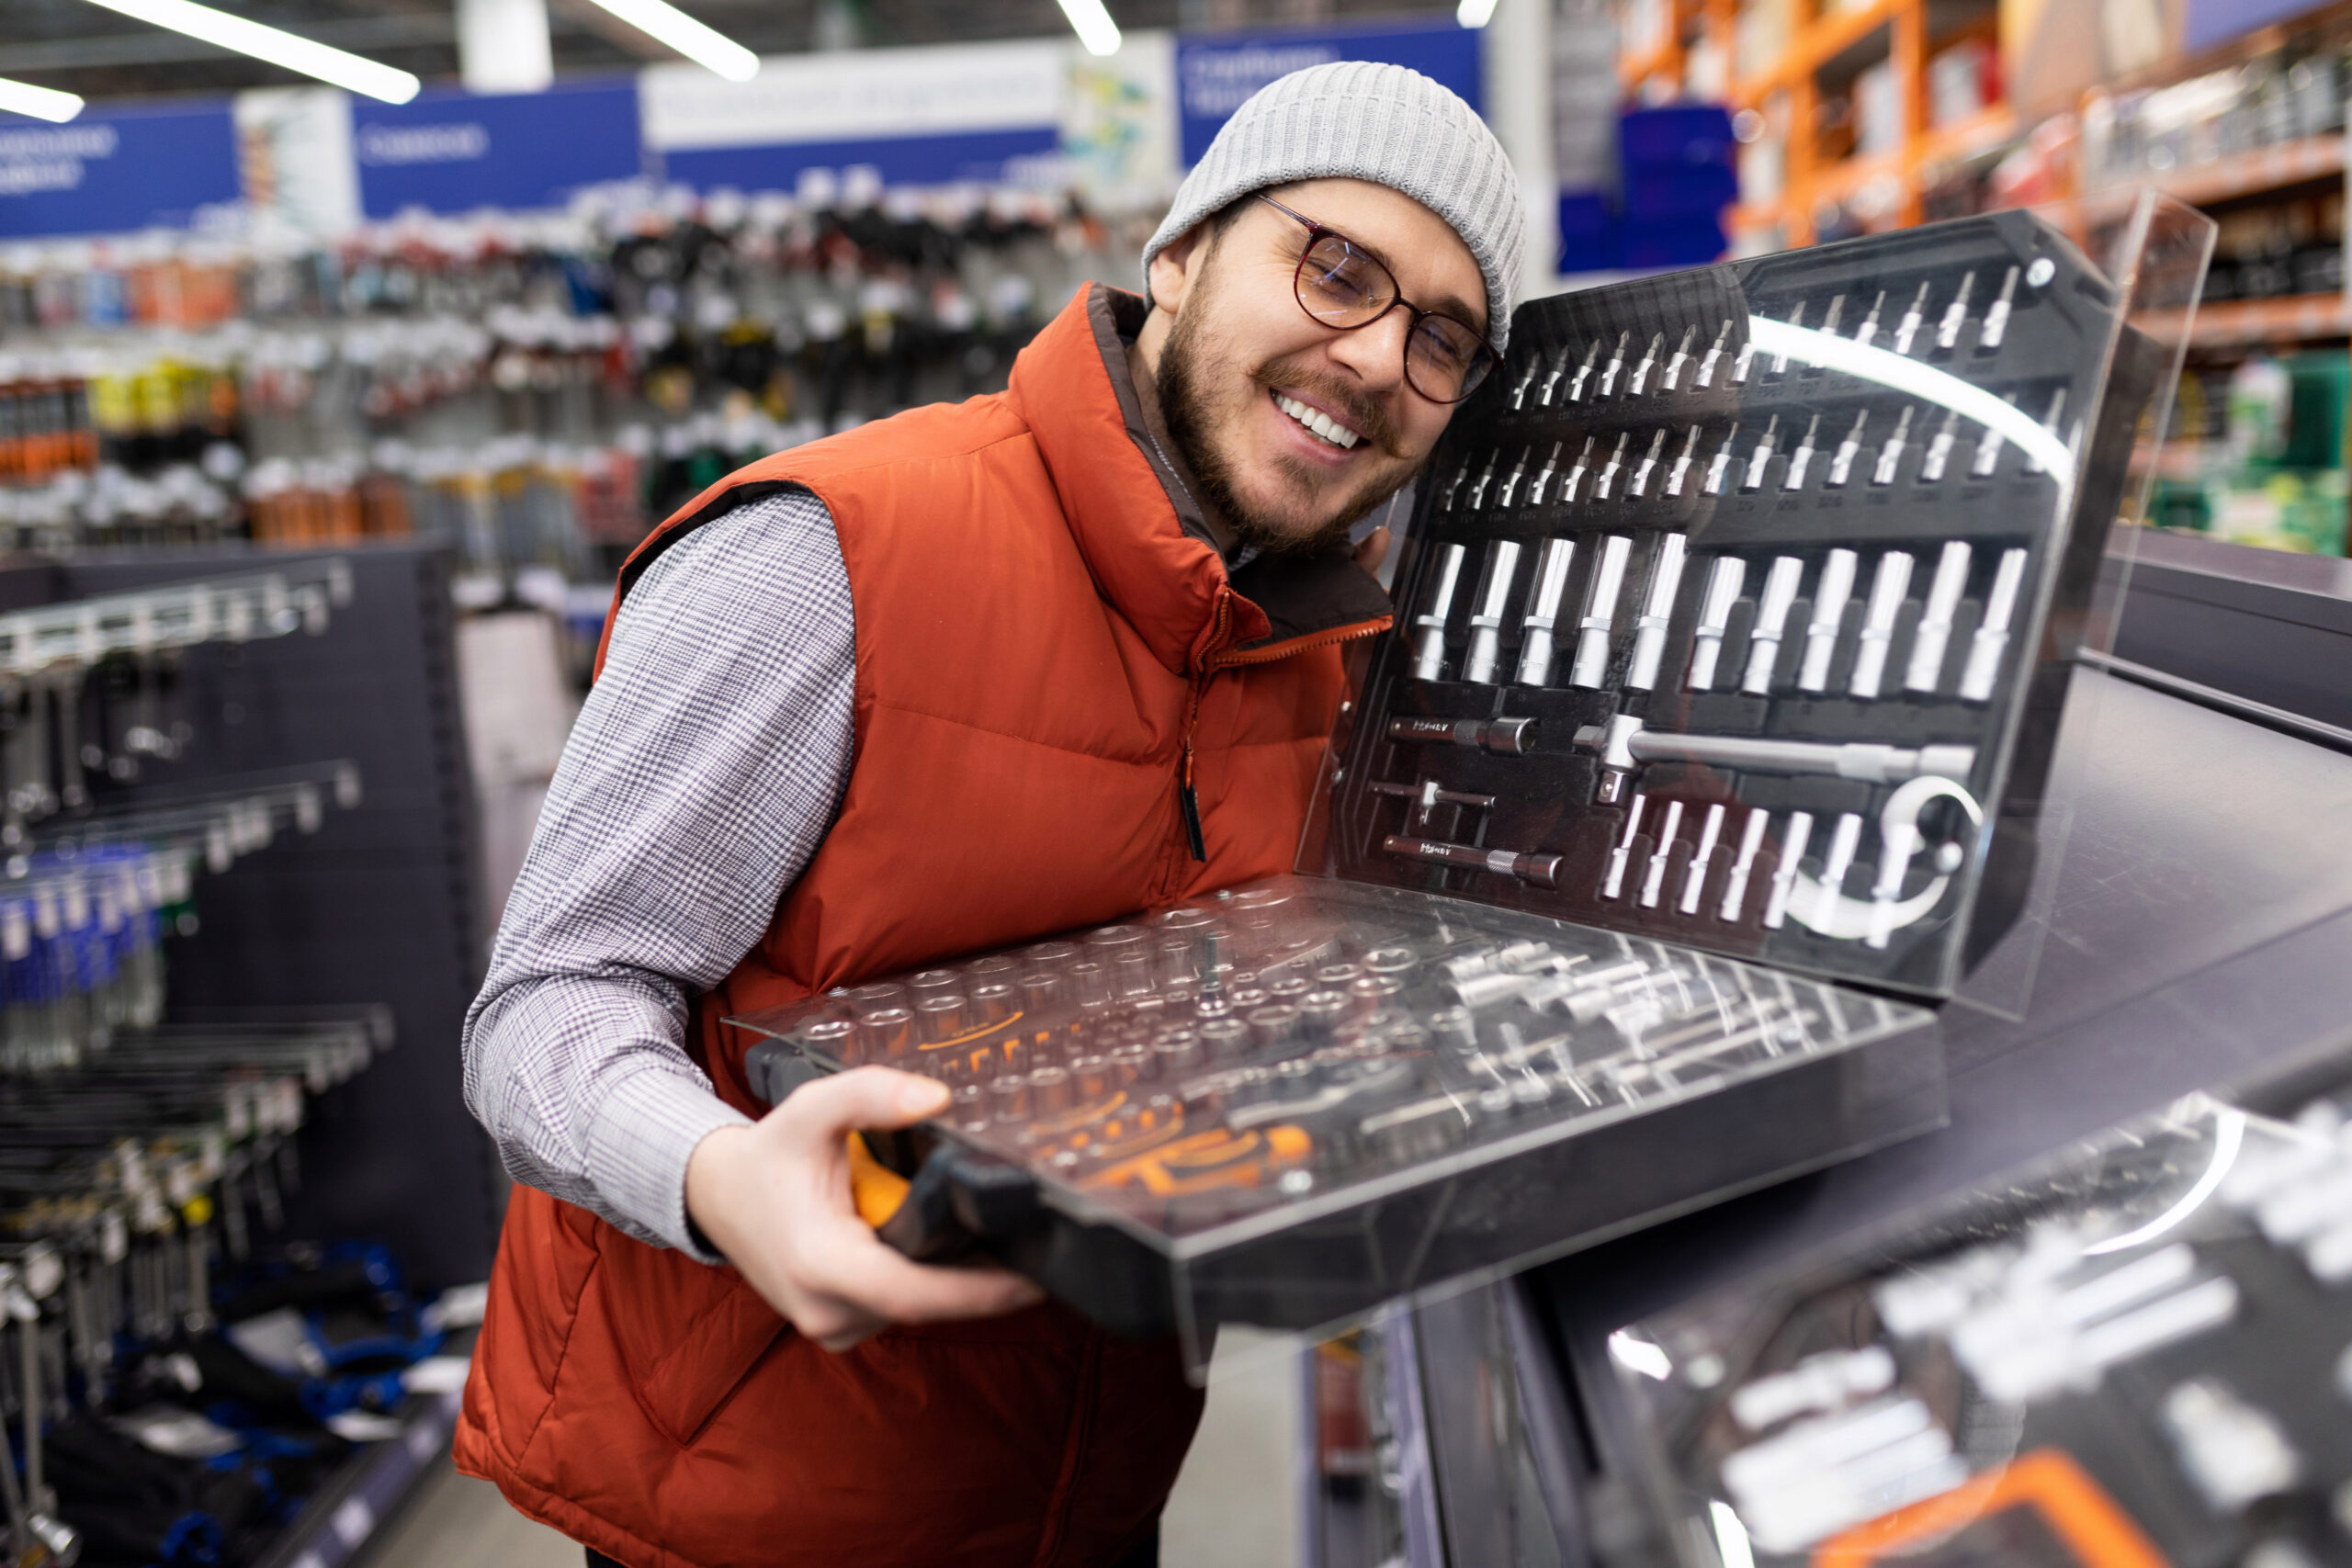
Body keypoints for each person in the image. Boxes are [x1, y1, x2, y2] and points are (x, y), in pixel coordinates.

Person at [454, 61, 1526, 1568]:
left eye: (1441, 337)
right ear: (1181, 254)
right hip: (747, 1512)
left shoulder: (1316, 655)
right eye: (1334, 265)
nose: (1370, 355)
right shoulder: (827, 558)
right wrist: (720, 1179)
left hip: (1087, 1495)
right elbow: (545, 1011)